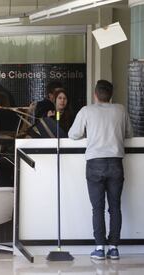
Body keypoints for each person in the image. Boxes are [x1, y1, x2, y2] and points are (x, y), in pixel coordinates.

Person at [68, 80, 133, 260]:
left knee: (97, 208)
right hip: (115, 163)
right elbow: (129, 134)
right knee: (115, 207)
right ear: (110, 95)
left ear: (95, 94)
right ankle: (113, 248)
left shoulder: (86, 111)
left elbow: (72, 134)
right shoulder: (120, 110)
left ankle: (99, 248)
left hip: (95, 163)